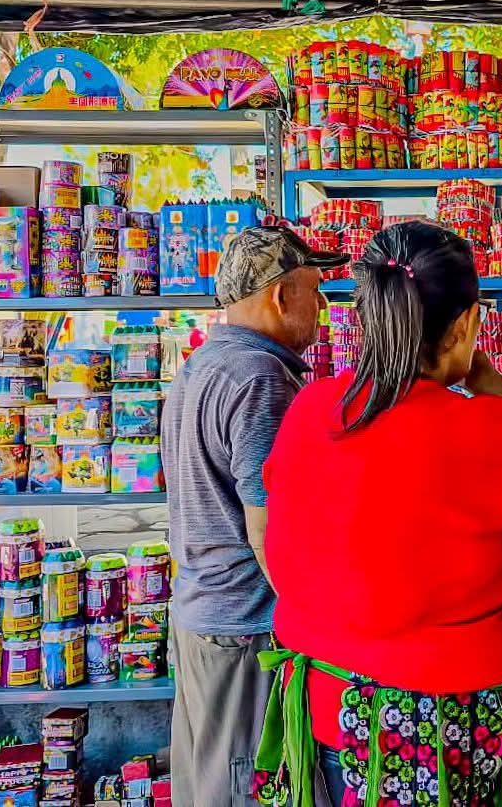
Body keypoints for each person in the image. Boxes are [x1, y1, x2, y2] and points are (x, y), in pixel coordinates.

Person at [256, 221, 502, 805]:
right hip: (465, 738)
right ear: (467, 324)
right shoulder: (493, 431)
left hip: (338, 723)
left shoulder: (311, 409)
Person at [161, 225, 348, 806]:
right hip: (246, 628)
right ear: (280, 295)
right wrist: (319, 621)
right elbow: (270, 526)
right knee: (251, 785)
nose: (322, 306)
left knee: (211, 781)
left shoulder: (202, 365)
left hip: (202, 615)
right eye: (315, 290)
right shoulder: (260, 378)